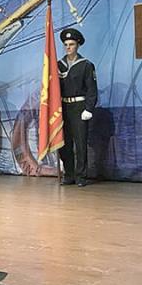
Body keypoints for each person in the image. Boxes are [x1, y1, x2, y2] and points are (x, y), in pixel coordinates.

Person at [57, 28, 97, 187]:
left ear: (78, 45)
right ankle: (69, 175)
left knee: (80, 143)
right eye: (66, 44)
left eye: (71, 44)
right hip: (63, 108)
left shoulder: (86, 65)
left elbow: (92, 89)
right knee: (64, 143)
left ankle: (81, 176)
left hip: (79, 107)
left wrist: (89, 108)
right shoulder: (58, 65)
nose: (68, 47)